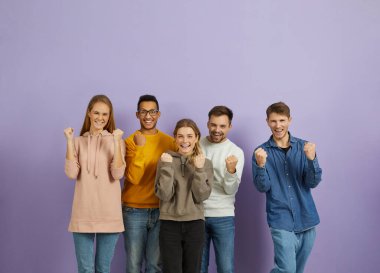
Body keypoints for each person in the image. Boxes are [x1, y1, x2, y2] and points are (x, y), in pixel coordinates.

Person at [252, 102, 322, 273]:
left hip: (307, 219)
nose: (278, 125)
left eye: (282, 120)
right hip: (280, 219)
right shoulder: (260, 152)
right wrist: (261, 166)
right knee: (287, 270)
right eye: (273, 121)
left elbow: (312, 182)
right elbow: (262, 187)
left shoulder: (305, 148)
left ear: (289, 120)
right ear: (267, 122)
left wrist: (312, 159)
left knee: (298, 270)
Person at [64, 94, 126, 273]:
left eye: (105, 114)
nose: (100, 118)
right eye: (97, 113)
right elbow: (71, 173)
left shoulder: (117, 141)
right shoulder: (78, 142)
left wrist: (115, 142)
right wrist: (69, 141)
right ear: (89, 113)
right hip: (83, 212)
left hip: (109, 213)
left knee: (103, 268)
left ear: (109, 117)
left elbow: (117, 173)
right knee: (85, 269)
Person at [121, 94, 176, 273]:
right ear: (137, 115)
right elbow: (134, 177)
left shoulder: (169, 142)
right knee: (133, 264)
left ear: (158, 114)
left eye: (152, 111)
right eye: (143, 112)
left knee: (155, 265)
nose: (148, 116)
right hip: (133, 211)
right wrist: (140, 148)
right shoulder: (129, 142)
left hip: (161, 210)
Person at [155, 119, 214, 273]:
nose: (185, 141)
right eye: (180, 136)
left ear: (196, 137)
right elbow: (164, 194)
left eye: (189, 136)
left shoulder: (205, 163)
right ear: (175, 138)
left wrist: (199, 170)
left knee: (192, 269)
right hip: (169, 223)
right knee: (171, 270)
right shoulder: (164, 161)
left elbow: (201, 196)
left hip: (195, 224)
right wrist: (167, 168)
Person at [200, 106, 245, 273]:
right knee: (198, 267)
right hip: (197, 215)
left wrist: (231, 171)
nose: (217, 130)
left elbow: (230, 190)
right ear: (207, 124)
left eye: (222, 126)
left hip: (223, 216)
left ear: (229, 127)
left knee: (226, 268)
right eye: (213, 125)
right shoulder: (197, 145)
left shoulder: (235, 152)